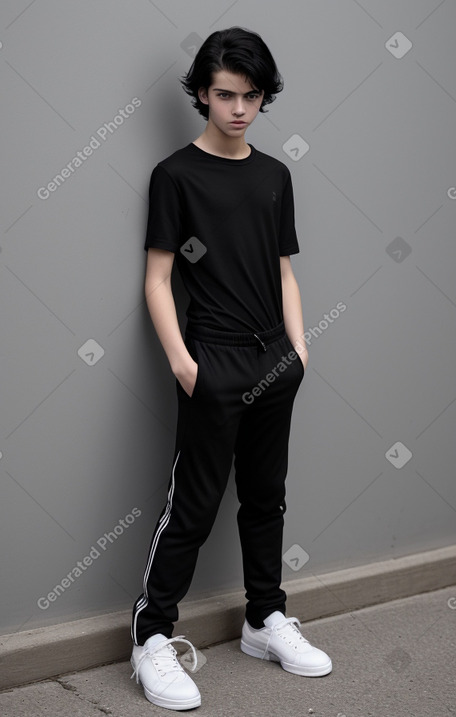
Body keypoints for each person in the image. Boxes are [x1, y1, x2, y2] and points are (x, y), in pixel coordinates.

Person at [130, 26, 332, 711]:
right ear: (201, 94)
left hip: (274, 354)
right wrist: (186, 364)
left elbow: (283, 270)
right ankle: (152, 635)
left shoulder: (276, 175)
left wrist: (298, 350)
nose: (238, 108)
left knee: (266, 496)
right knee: (192, 504)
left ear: (263, 96)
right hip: (211, 356)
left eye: (251, 96)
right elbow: (159, 279)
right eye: (225, 94)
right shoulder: (176, 176)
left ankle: (264, 619)